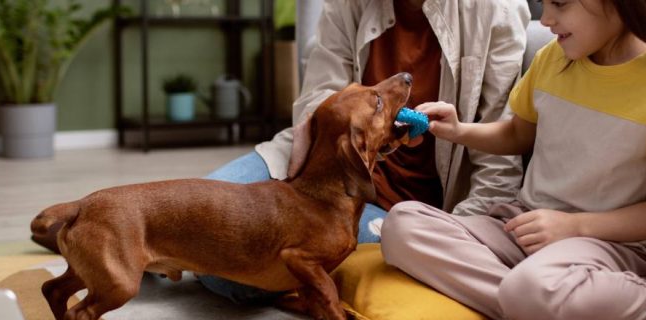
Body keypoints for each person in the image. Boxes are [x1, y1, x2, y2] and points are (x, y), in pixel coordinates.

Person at [381, 0, 646, 320]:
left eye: (560, 4)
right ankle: (533, 301)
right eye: (544, 5)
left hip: (611, 245)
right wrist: (458, 130)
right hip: (525, 226)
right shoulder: (553, 58)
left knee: (530, 289)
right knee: (401, 224)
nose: (547, 20)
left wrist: (573, 227)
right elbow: (515, 134)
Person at [197, 0, 530, 303]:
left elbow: (498, 160)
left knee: (231, 274)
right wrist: (365, 139)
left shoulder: (496, 11)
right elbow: (319, 96)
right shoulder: (346, 5)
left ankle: (313, 280)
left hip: (404, 212)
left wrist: (449, 239)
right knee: (198, 223)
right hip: (322, 167)